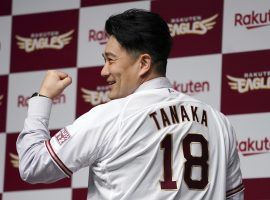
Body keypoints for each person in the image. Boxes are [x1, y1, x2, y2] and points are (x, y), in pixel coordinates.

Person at [17, 9, 244, 200]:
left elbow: (32, 164)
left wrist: (42, 98)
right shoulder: (218, 121)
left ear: (144, 63)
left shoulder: (111, 116)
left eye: (110, 59)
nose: (104, 71)